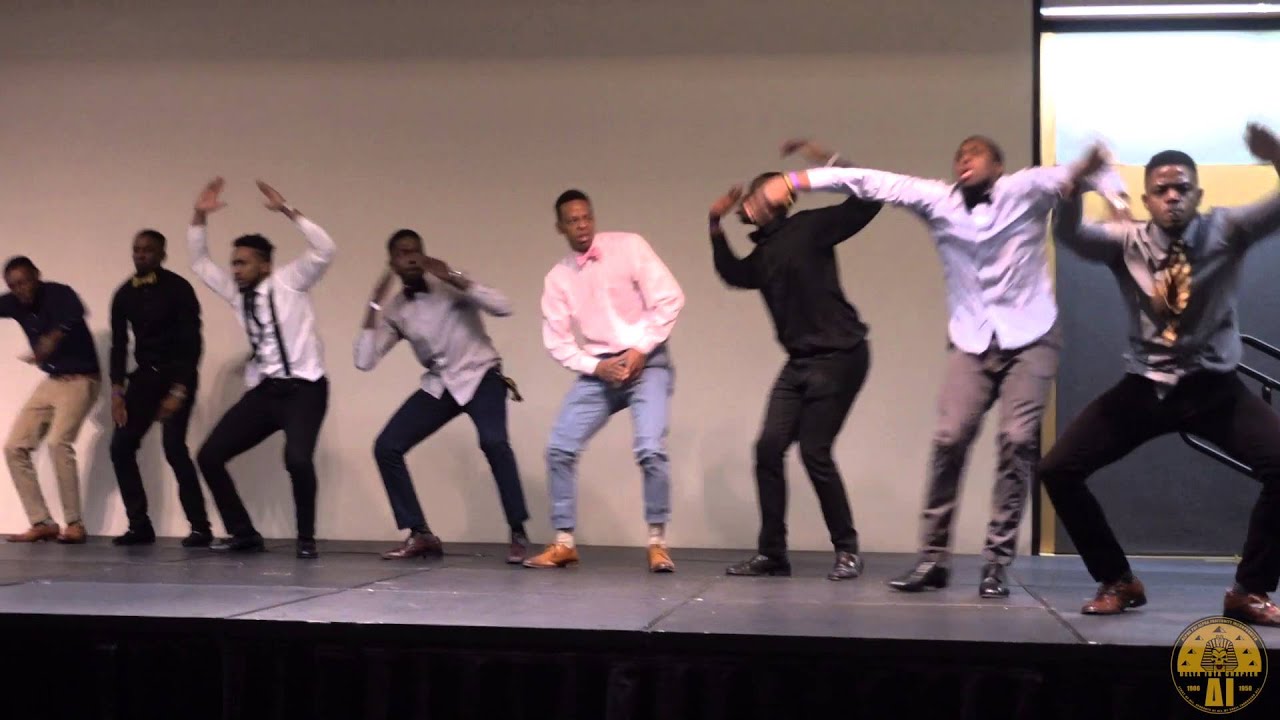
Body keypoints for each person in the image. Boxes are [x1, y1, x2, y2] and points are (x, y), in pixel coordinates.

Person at [742, 135, 1116, 597]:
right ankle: (933, 559)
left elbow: (1084, 173)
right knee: (949, 438)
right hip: (972, 340)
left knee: (1016, 440)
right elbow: (869, 182)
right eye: (959, 154)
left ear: (998, 166)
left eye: (975, 152)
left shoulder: (1025, 187)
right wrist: (795, 180)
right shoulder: (936, 199)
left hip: (1031, 336)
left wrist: (1112, 198)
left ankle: (996, 562)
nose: (964, 158)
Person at [1044, 123, 1280, 627]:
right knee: (1058, 469)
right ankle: (1118, 581)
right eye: (1162, 189)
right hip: (1146, 387)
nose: (1172, 196)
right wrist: (1076, 183)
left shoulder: (1227, 229)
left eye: (1181, 188)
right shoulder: (1124, 241)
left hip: (1214, 388)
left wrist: (1277, 154)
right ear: (1147, 199)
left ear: (1198, 195)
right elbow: (1068, 234)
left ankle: (1250, 591)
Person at [711, 144, 883, 580]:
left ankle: (847, 550)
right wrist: (714, 226)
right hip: (801, 364)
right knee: (768, 449)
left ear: (779, 198)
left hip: (841, 355)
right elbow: (734, 274)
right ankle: (773, 554)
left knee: (814, 451)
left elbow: (869, 197)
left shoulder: (809, 227)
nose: (749, 203)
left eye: (761, 194)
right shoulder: (764, 254)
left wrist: (824, 158)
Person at [524, 189, 685, 572]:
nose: (582, 226)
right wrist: (596, 368)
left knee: (650, 449)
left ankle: (657, 542)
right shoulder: (558, 278)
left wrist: (641, 349)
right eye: (573, 221)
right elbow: (558, 342)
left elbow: (670, 298)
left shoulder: (629, 247)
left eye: (586, 218)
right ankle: (564, 543)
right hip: (601, 369)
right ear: (560, 227)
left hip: (647, 362)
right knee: (559, 448)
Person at [356, 229, 533, 564]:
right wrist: (373, 305)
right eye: (402, 253)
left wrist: (454, 276)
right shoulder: (396, 309)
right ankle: (420, 534)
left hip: (482, 375)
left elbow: (503, 307)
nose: (410, 258)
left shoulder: (451, 285)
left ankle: (518, 531)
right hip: (442, 384)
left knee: (494, 442)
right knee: (387, 446)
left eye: (415, 251)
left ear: (424, 255)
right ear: (392, 263)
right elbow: (364, 361)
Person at [187, 178, 336, 559]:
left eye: (243, 263)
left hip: (305, 390)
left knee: (297, 459)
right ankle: (244, 534)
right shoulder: (237, 294)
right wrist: (199, 216)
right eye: (234, 263)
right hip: (267, 392)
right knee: (209, 456)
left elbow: (325, 249)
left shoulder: (290, 281)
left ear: (265, 265)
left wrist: (287, 210)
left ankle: (306, 538)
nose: (235, 270)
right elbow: (200, 263)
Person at [108, 229, 211, 547]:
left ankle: (200, 527)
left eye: (148, 250)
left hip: (177, 375)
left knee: (174, 448)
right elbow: (119, 345)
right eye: (137, 249)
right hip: (144, 378)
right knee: (120, 446)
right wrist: (117, 391)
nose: (141, 254)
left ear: (162, 254)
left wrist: (178, 391)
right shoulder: (124, 294)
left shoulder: (178, 288)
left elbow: (192, 342)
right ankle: (139, 525)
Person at [1, 256, 101, 544]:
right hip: (53, 380)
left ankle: (75, 523)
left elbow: (77, 311)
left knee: (58, 443)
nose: (21, 290)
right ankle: (42, 522)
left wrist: (52, 338)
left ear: (37, 275)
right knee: (14, 447)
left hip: (81, 379)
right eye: (13, 285)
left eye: (25, 282)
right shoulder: (14, 303)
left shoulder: (59, 294)